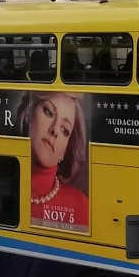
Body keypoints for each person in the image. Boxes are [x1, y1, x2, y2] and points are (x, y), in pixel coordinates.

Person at [20, 90, 89, 236]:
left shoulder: (80, 205)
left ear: (64, 151)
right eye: (49, 112)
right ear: (28, 116)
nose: (55, 130)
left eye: (65, 130)